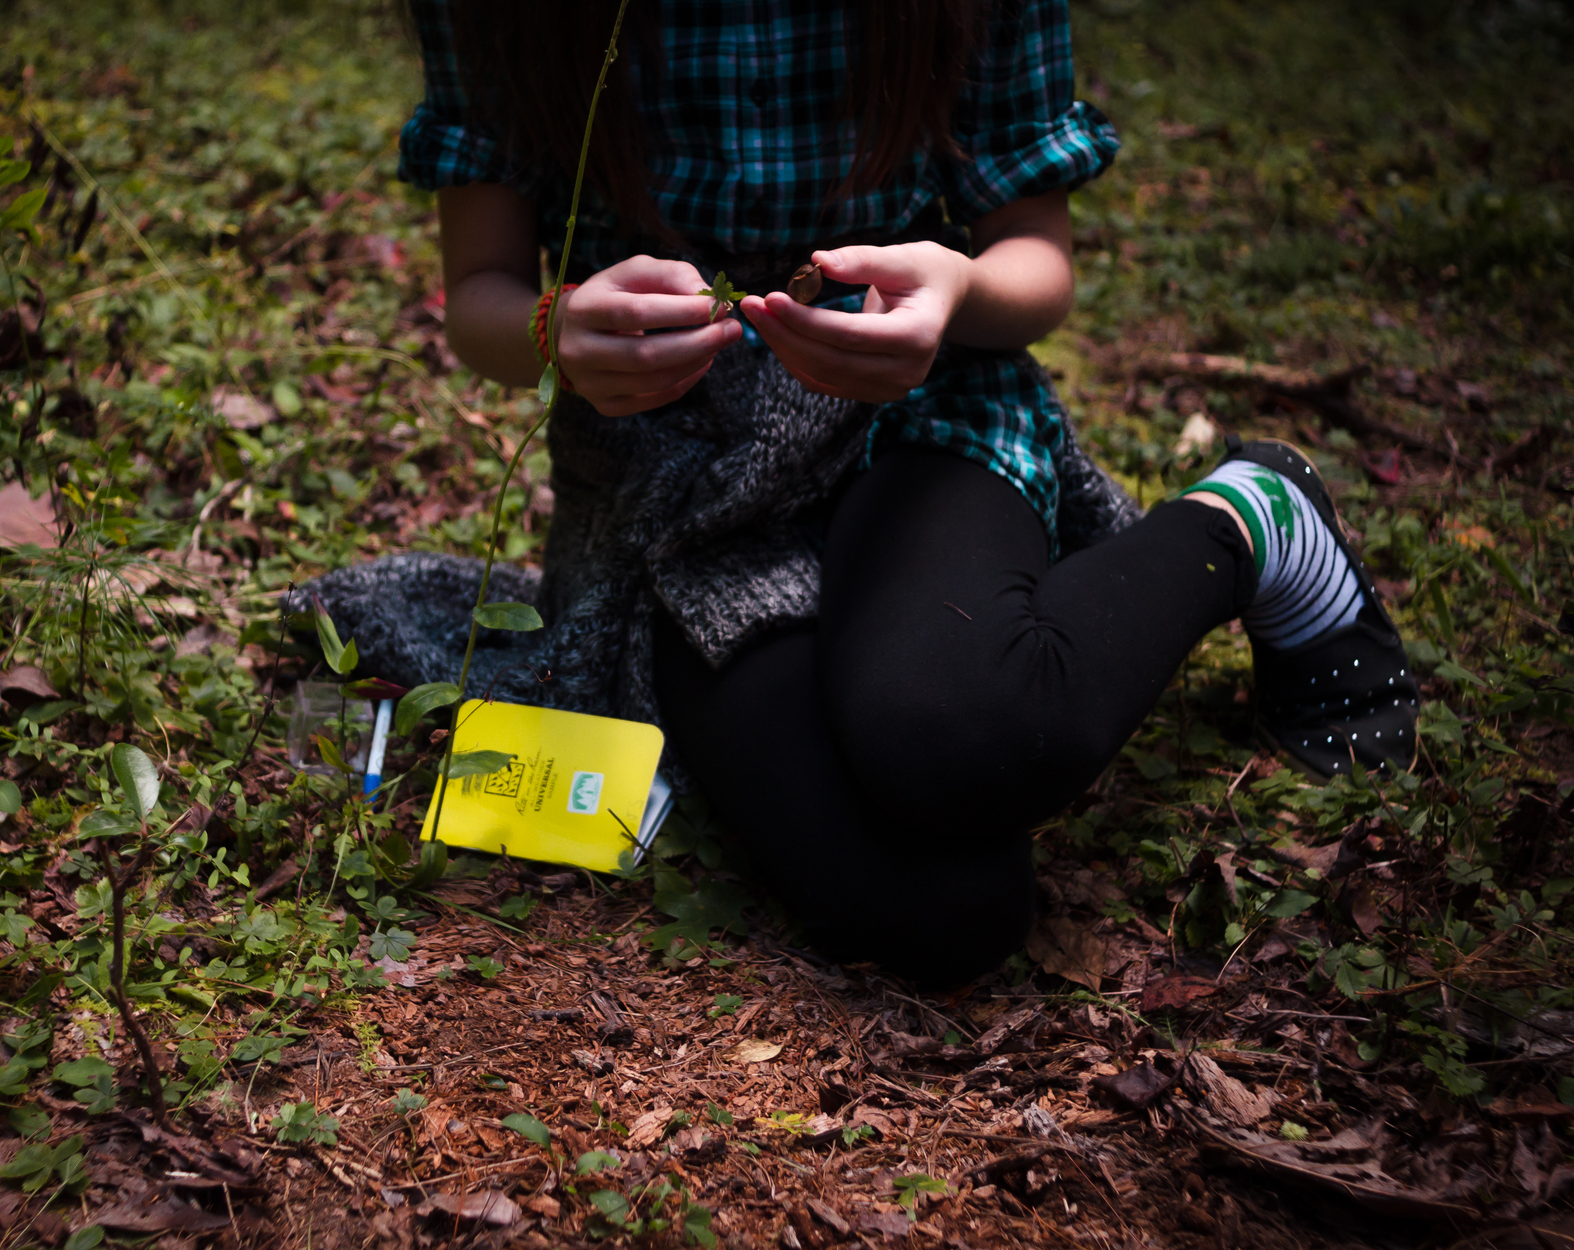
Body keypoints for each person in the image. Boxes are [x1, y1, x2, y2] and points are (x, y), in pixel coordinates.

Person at [320, 0, 1417, 987]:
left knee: (970, 731)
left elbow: (1036, 266)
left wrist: (957, 290)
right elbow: (481, 298)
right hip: (684, 488)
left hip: (920, 415)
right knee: (948, 916)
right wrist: (555, 328)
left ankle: (1250, 514)